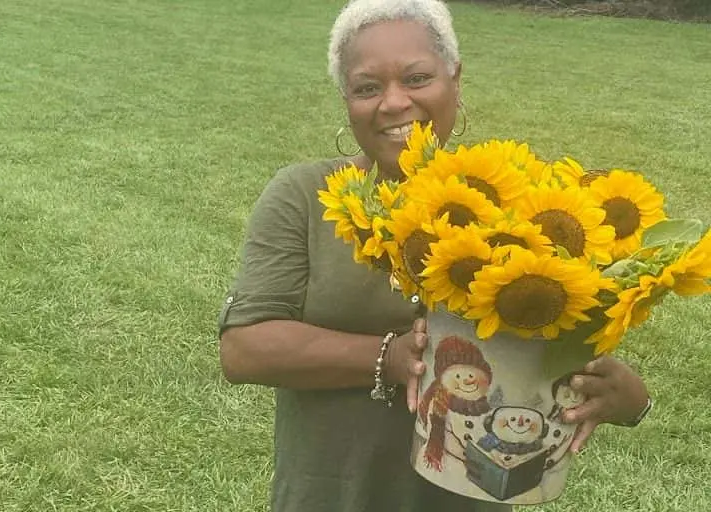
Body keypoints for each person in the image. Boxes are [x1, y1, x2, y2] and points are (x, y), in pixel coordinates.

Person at [217, 1, 651, 511]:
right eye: (367, 87)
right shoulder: (306, 196)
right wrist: (393, 359)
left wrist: (627, 398)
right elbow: (245, 347)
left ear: (455, 79)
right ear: (347, 100)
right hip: (333, 496)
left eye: (417, 78)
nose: (394, 102)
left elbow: (563, 332)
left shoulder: (519, 205)